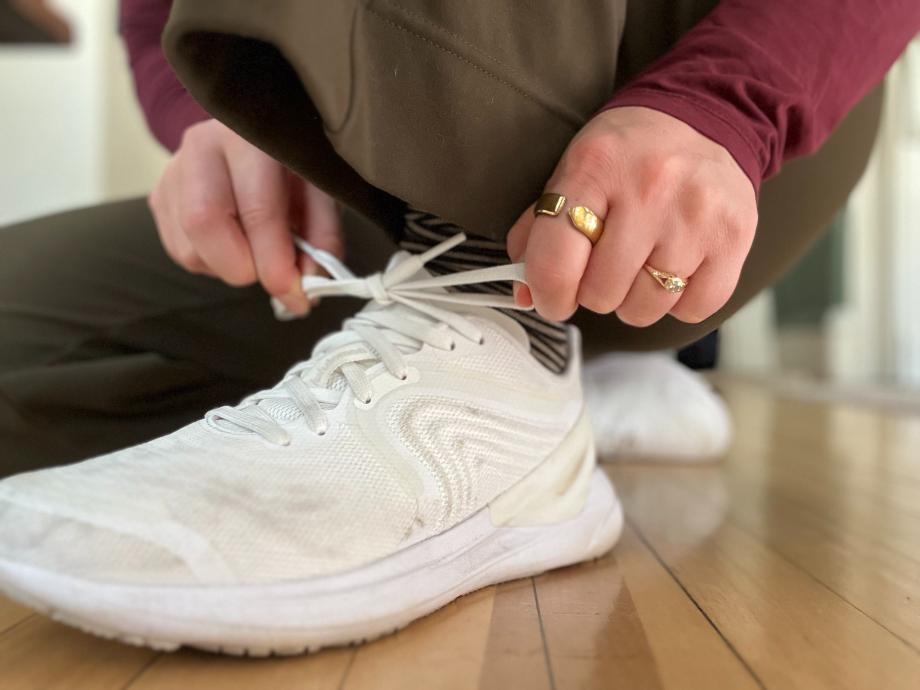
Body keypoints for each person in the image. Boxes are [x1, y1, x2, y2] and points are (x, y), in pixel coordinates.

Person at [0, 0, 914, 654]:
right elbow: (147, 16)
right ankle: (541, 372)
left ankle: (506, 360)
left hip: (733, 138)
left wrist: (728, 100)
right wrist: (215, 110)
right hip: (369, 203)